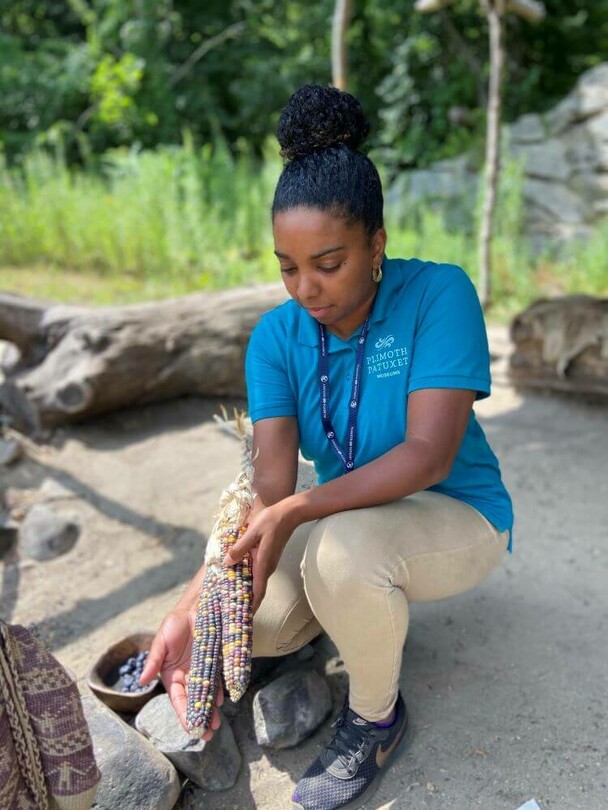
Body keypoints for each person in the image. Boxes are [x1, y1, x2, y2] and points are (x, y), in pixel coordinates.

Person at [140, 84, 513, 810]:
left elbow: (429, 455)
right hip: (340, 516)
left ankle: (375, 721)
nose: (306, 288)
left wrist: (293, 515)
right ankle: (347, 619)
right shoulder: (275, 339)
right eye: (287, 265)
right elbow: (272, 486)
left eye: (329, 263)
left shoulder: (439, 296)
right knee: (258, 623)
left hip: (455, 513)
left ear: (377, 244)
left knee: (342, 554)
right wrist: (194, 605)